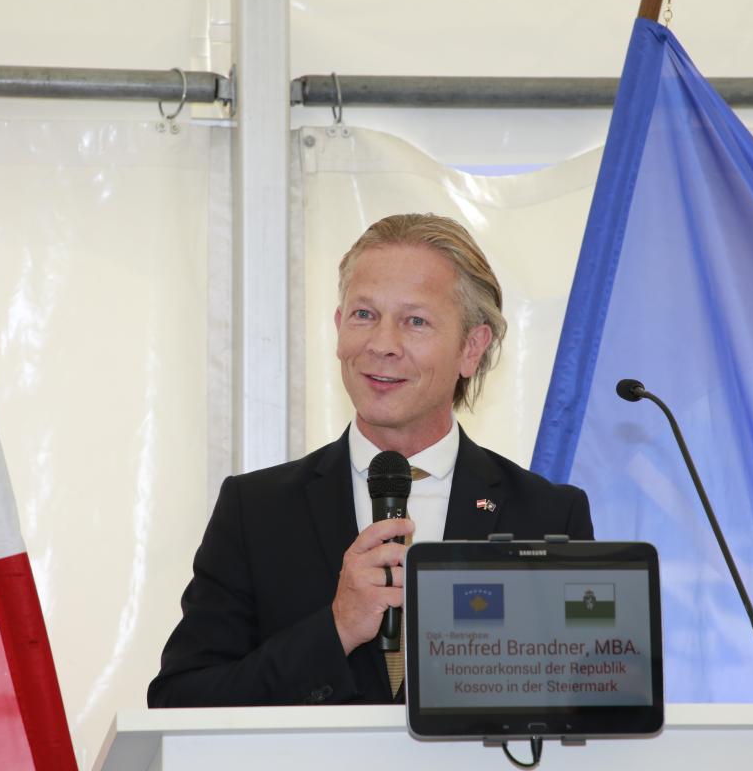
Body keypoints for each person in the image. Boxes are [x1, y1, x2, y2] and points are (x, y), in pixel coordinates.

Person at [147, 214, 593, 707]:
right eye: (364, 315)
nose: (381, 345)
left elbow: (588, 704)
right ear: (339, 329)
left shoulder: (547, 515)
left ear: (471, 348)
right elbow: (180, 701)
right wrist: (336, 629)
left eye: (415, 321)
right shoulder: (255, 510)